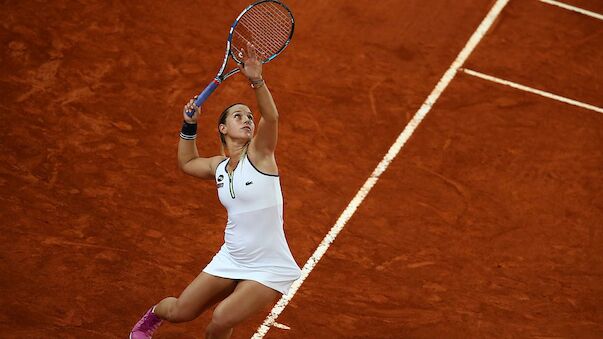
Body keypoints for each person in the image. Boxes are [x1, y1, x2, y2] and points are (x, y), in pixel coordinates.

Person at [130, 44, 301, 339]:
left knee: (221, 318)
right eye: (238, 116)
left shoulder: (260, 155)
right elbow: (187, 163)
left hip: (268, 266)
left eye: (249, 116)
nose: (247, 119)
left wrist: (257, 80)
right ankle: (152, 316)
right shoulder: (218, 168)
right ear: (222, 128)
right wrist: (189, 124)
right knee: (180, 311)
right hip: (232, 257)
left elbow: (270, 118)